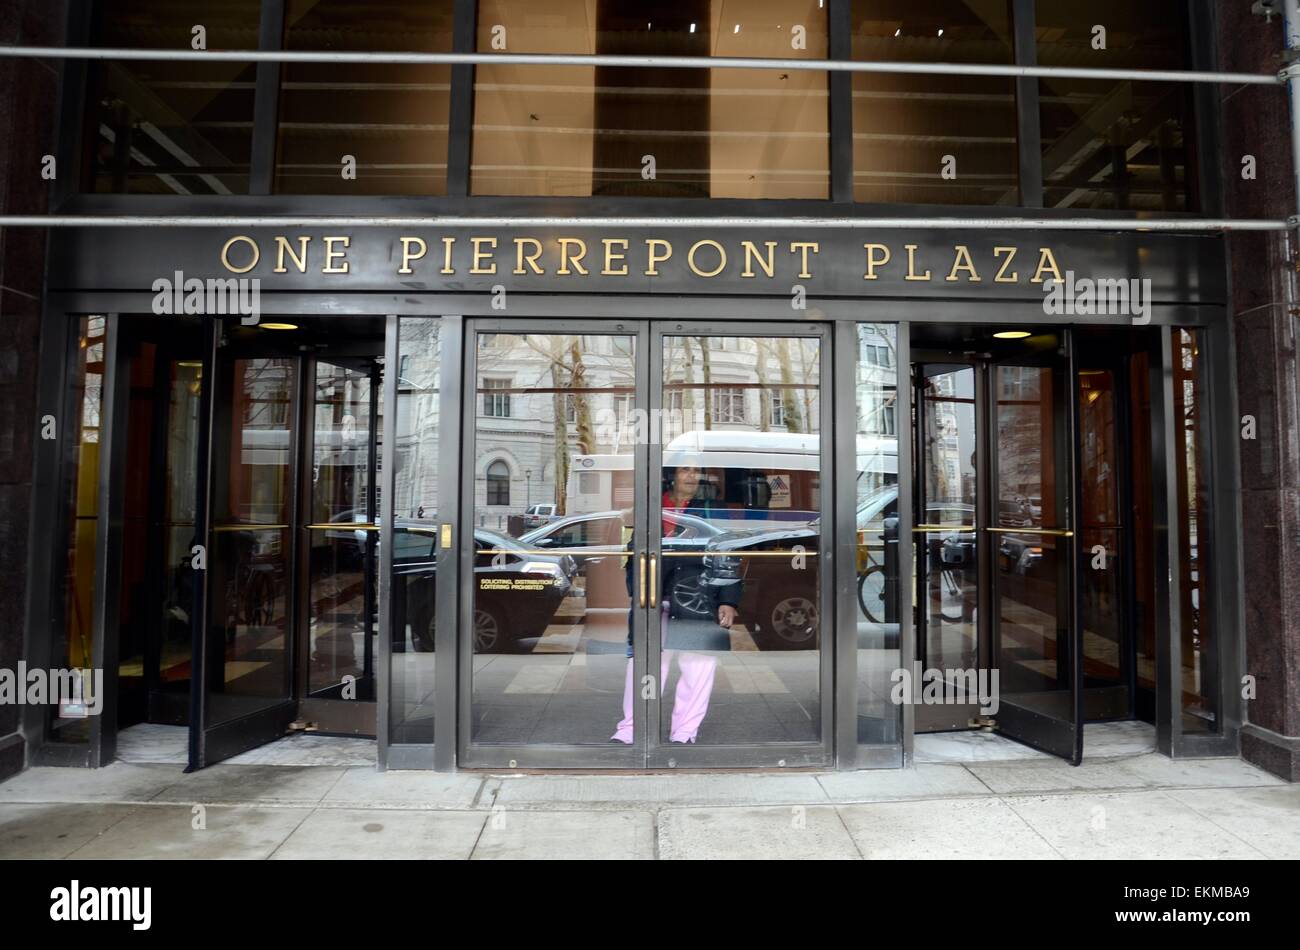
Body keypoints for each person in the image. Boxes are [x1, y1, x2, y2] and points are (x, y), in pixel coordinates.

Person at [611, 463, 740, 744]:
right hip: (653, 597)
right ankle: (631, 728)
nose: (692, 476)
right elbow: (635, 553)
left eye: (697, 470)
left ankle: (684, 731)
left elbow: (727, 553)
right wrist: (637, 590)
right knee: (645, 664)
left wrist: (729, 599)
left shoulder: (712, 509)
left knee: (698, 666)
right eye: (685, 469)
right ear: (672, 475)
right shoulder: (652, 506)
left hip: (698, 596)